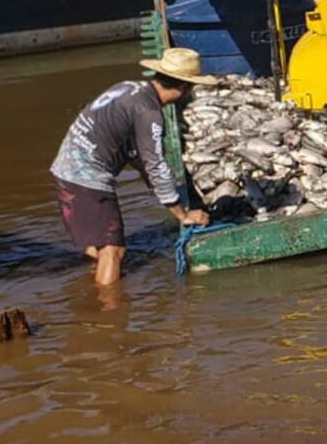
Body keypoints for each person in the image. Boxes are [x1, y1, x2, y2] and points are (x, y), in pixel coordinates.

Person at [51, 47, 214, 286]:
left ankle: (90, 294)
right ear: (183, 88)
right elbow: (156, 163)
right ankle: (108, 315)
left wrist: (153, 184)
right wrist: (182, 214)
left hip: (64, 169)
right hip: (86, 178)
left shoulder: (128, 87)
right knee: (114, 251)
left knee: (98, 247)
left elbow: (130, 148)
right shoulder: (149, 113)